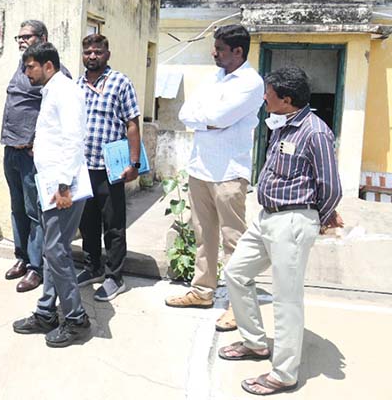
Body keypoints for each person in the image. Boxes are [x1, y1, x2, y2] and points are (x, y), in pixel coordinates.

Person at [218, 67, 342, 396]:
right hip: (266, 218)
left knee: (286, 299)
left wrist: (321, 217)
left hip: (292, 222)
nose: (263, 97)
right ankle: (256, 343)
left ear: (286, 100)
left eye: (269, 93)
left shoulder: (314, 132)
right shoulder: (281, 124)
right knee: (235, 273)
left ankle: (284, 374)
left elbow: (330, 186)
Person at [165, 24, 264, 333]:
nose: (214, 52)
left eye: (219, 48)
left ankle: (238, 305)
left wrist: (207, 119)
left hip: (229, 173)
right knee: (203, 235)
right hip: (200, 168)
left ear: (238, 51)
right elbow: (186, 112)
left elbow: (220, 118)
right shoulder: (215, 77)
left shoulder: (251, 83)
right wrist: (207, 120)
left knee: (234, 239)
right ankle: (202, 292)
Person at [11, 42, 93, 347]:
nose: (26, 73)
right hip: (52, 184)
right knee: (50, 249)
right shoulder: (51, 91)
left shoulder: (66, 91)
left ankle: (75, 319)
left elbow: (74, 140)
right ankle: (46, 311)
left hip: (63, 188)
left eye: (30, 67)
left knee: (57, 251)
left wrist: (62, 186)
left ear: (48, 65)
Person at [1, 19, 72, 293]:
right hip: (11, 150)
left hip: (32, 156)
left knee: (35, 213)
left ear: (42, 37)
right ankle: (21, 257)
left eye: (26, 36)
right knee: (17, 208)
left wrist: (36, 143)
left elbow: (55, 113)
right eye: (17, 37)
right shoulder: (21, 67)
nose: (20, 41)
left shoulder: (54, 72)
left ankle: (35, 268)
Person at [75, 33, 142, 302]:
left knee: (113, 225)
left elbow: (132, 124)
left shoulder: (120, 82)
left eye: (98, 52)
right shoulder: (76, 85)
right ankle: (92, 267)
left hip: (110, 167)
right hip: (83, 166)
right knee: (87, 222)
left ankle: (115, 277)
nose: (92, 56)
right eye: (88, 52)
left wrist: (134, 163)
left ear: (107, 54)